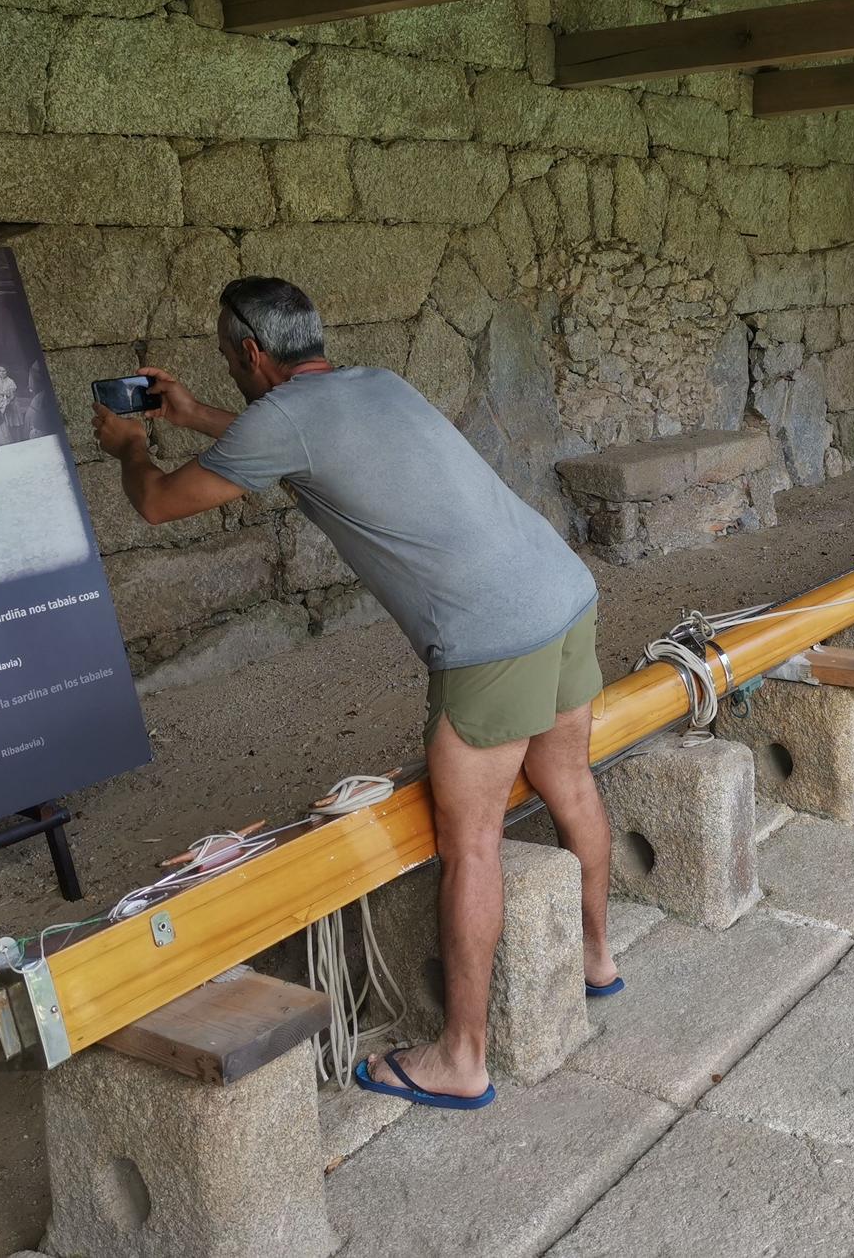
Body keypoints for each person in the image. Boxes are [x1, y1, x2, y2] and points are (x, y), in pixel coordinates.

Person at [92, 276, 613, 1111]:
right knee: (570, 782)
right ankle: (595, 959)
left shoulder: (282, 420)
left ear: (250, 353)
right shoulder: (377, 385)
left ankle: (462, 1057)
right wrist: (191, 419)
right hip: (561, 589)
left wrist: (130, 449)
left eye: (230, 359)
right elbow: (291, 444)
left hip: (490, 640)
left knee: (470, 844)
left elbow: (157, 503)